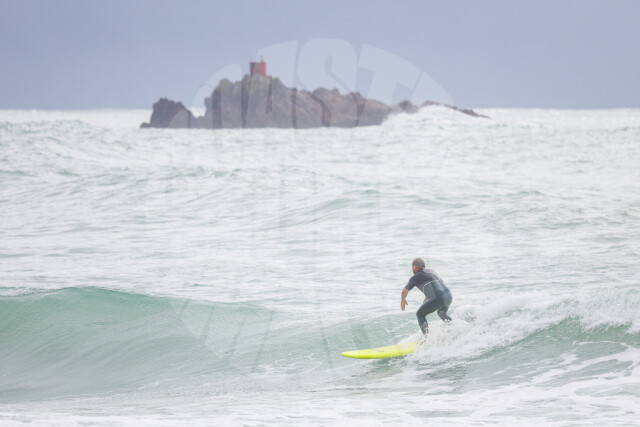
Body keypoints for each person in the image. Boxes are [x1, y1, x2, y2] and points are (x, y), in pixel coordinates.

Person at [400, 258, 452, 336]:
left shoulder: (416, 276)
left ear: (414, 267)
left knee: (420, 314)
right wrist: (428, 295)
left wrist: (403, 300)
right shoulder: (432, 271)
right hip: (448, 295)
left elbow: (405, 290)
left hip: (438, 297)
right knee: (441, 313)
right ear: (423, 266)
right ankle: (454, 329)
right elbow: (437, 284)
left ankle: (426, 338)